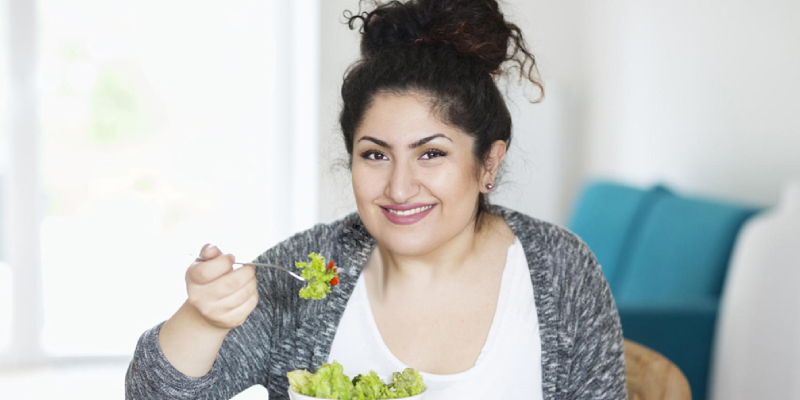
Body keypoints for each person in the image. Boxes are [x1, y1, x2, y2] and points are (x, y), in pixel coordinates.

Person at [125, 0, 627, 399]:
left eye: (431, 154)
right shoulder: (305, 273)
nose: (400, 188)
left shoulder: (560, 270)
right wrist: (202, 319)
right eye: (375, 155)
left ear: (488, 164)